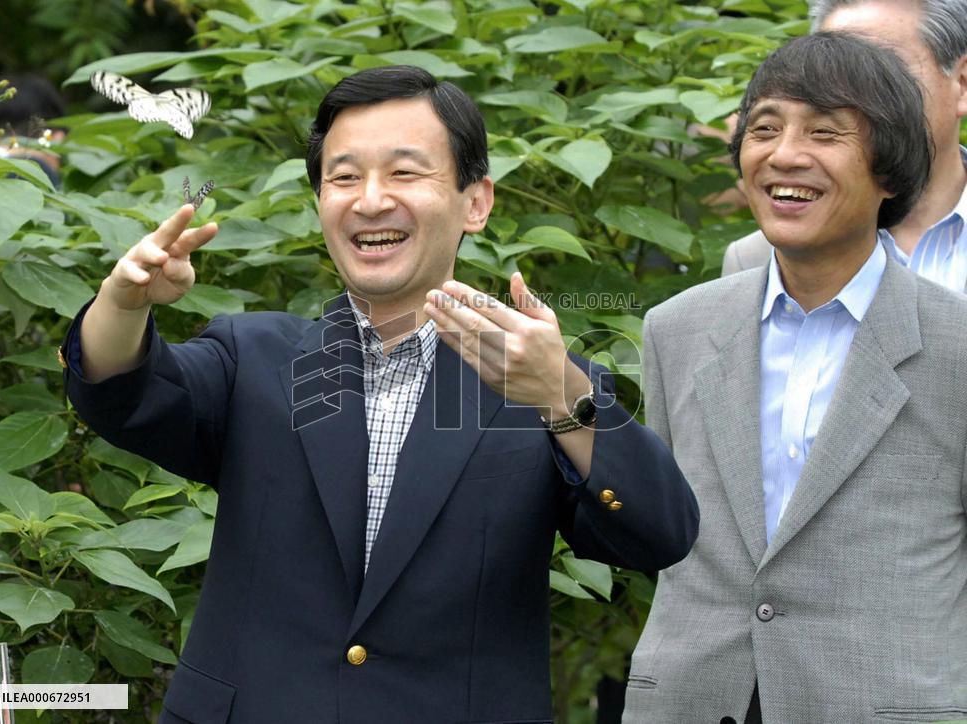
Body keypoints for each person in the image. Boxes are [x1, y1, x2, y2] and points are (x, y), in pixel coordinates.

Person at [61, 65, 699, 723]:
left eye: (404, 172)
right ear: (319, 204)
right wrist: (122, 303)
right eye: (342, 176)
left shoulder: (537, 379)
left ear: (475, 201)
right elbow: (123, 392)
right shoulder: (252, 358)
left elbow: (657, 533)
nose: (369, 200)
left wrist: (561, 395)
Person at [623, 33, 967, 723]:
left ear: (891, 169)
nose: (784, 156)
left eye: (826, 132)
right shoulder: (676, 328)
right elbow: (660, 532)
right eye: (765, 129)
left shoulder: (955, 345)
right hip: (696, 703)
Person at [722, 0, 967, 293]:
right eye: (831, 74)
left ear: (962, 84)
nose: (855, 97)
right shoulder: (755, 257)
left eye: (886, 70)